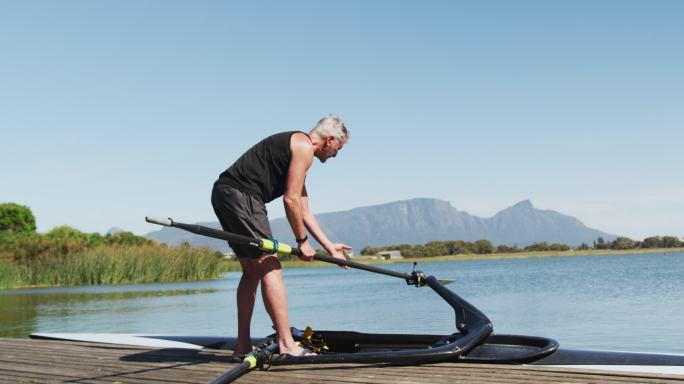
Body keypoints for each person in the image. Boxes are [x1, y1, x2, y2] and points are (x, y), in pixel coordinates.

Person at [211, 115, 351, 358]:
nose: (336, 155)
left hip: (224, 192)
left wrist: (330, 247)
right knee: (271, 267)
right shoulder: (303, 146)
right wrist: (302, 242)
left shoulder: (298, 149)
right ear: (330, 140)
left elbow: (304, 208)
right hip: (243, 196)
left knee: (251, 271)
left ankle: (242, 346)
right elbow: (290, 199)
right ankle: (287, 344)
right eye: (338, 148)